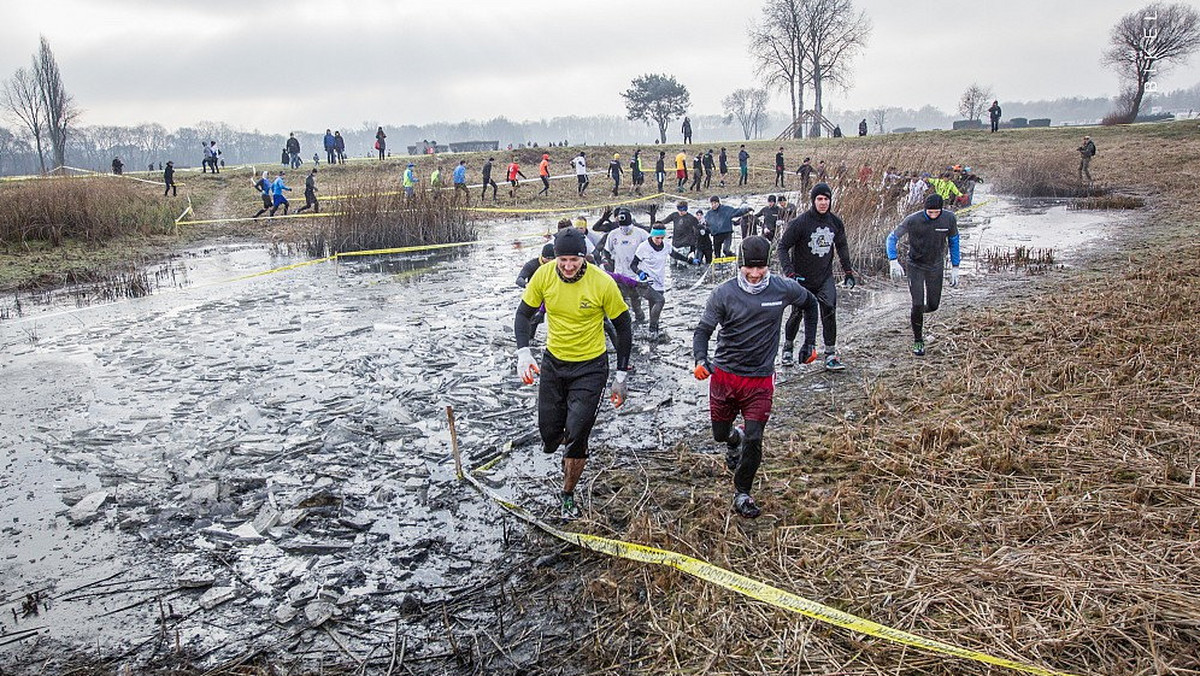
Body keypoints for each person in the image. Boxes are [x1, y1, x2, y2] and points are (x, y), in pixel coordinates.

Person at [692, 236, 819, 519]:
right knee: (720, 435)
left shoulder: (782, 289)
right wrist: (701, 359)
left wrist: (808, 343)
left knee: (755, 438)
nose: (755, 274)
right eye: (750, 267)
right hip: (724, 376)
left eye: (761, 267)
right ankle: (732, 440)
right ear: (740, 265)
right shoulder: (723, 293)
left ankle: (743, 492)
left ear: (768, 265)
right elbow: (702, 331)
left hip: (760, 380)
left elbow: (810, 304)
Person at [514, 227, 633, 521]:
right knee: (550, 436)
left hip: (591, 367)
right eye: (562, 260)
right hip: (554, 363)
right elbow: (522, 315)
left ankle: (567, 492)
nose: (568, 267)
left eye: (574, 260)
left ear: (585, 257)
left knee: (578, 434)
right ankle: (566, 446)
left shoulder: (602, 283)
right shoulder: (543, 276)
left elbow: (624, 327)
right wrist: (523, 353)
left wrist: (621, 376)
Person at [777, 183, 857, 371]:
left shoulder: (835, 222)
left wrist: (848, 272)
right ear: (813, 201)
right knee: (797, 313)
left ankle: (830, 354)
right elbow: (782, 247)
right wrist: (790, 273)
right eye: (819, 199)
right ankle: (788, 349)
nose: (823, 203)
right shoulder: (800, 223)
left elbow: (842, 247)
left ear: (830, 200)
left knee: (829, 310)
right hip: (802, 279)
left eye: (826, 199)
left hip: (824, 277)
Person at [886, 193, 960, 357]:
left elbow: (954, 241)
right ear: (925, 209)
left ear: (942, 209)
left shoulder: (949, 219)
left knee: (933, 305)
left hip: (935, 265)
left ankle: (915, 314)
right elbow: (892, 238)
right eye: (930, 212)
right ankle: (918, 339)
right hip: (915, 265)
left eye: (936, 212)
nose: (933, 215)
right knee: (918, 303)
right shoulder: (913, 220)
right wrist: (893, 260)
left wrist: (956, 267)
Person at [603, 207, 650, 325]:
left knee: (635, 301)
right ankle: (622, 323)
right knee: (619, 300)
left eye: (627, 227)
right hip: (619, 273)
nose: (624, 230)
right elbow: (606, 251)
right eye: (622, 227)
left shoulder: (641, 233)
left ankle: (640, 321)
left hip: (635, 275)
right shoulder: (613, 234)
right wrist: (609, 264)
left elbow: (651, 246)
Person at [630, 226, 670, 341]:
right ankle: (652, 331)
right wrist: (640, 272)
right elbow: (633, 265)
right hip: (644, 284)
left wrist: (690, 260)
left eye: (662, 238)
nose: (660, 241)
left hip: (659, 283)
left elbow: (675, 254)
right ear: (652, 236)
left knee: (655, 312)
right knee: (660, 300)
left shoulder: (666, 246)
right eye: (657, 238)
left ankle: (653, 338)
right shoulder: (643, 247)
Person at [657, 200, 701, 265]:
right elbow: (664, 221)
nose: (680, 212)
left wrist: (693, 248)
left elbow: (698, 230)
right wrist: (656, 224)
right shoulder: (674, 215)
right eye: (679, 209)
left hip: (685, 246)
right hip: (675, 244)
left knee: (682, 265)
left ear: (686, 209)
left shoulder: (691, 218)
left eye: (682, 210)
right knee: (672, 265)